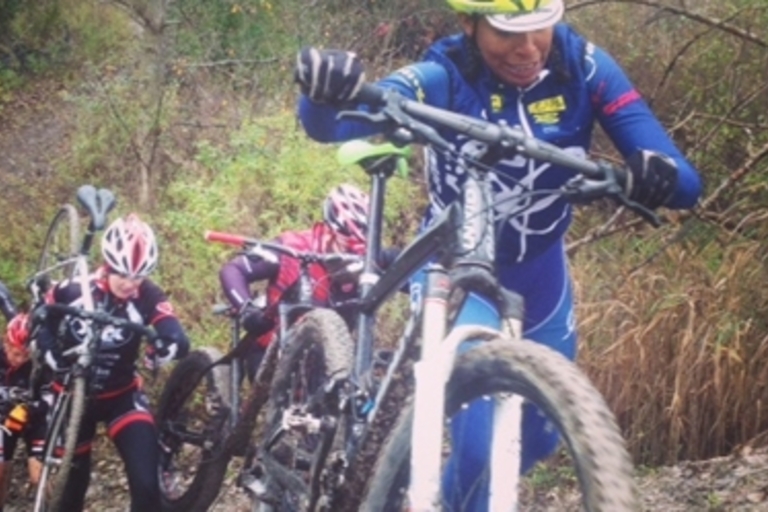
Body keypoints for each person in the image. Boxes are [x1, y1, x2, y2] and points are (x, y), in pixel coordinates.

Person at [293, 0, 703, 509]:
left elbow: (686, 183)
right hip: (456, 269)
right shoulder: (444, 75)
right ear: (469, 24)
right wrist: (322, 90)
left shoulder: (584, 67)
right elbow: (330, 126)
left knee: (542, 436)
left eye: (540, 28)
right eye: (509, 33)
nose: (528, 49)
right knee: (478, 444)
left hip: (542, 278)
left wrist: (655, 173)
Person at [34, 213, 190, 512]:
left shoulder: (148, 294)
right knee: (71, 491)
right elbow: (40, 320)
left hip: (122, 395)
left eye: (138, 276)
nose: (130, 284)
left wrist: (168, 345)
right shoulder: (73, 289)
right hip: (72, 397)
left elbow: (173, 331)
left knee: (147, 487)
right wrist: (50, 352)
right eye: (123, 274)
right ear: (108, 265)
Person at [219, 183, 395, 381]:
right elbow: (233, 271)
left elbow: (410, 268)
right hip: (270, 353)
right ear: (330, 231)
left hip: (328, 360)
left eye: (360, 247)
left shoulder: (369, 257)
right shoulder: (293, 247)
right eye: (347, 245)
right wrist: (247, 310)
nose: (352, 253)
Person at [0, 313, 45, 512]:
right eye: (15, 354)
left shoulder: (41, 362)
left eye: (25, 355)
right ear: (6, 343)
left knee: (40, 475)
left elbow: (51, 399)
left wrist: (29, 408)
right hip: (5, 418)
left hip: (34, 419)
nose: (19, 360)